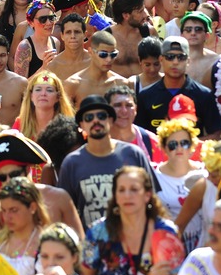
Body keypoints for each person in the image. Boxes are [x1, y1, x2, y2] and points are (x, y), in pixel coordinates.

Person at [58, 95, 156, 230]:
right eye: (89, 118)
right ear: (81, 125)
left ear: (110, 120)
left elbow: (153, 199)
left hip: (133, 242)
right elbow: (64, 211)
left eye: (101, 116)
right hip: (92, 245)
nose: (96, 121)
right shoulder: (71, 163)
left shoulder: (133, 154)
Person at [82, 166, 177, 275]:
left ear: (147, 195)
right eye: (121, 190)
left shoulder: (167, 233)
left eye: (134, 189)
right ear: (115, 196)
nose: (127, 195)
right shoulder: (97, 233)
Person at [0, 176, 50, 275]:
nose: (7, 217)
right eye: (3, 210)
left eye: (14, 210)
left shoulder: (46, 244)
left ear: (32, 207)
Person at [154, 118, 206, 251]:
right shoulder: (154, 176)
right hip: (169, 243)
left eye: (184, 143)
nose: (179, 148)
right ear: (164, 148)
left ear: (192, 146)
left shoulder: (204, 173)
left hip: (203, 243)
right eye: (172, 144)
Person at [63, 31, 129, 107]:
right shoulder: (74, 84)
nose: (109, 59)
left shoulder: (121, 83)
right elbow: (65, 117)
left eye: (113, 54)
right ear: (91, 52)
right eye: (103, 54)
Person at [14, 0, 58, 78]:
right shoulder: (25, 47)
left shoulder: (56, 42)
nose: (48, 23)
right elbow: (20, 86)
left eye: (51, 18)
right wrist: (43, 68)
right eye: (43, 19)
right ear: (31, 22)